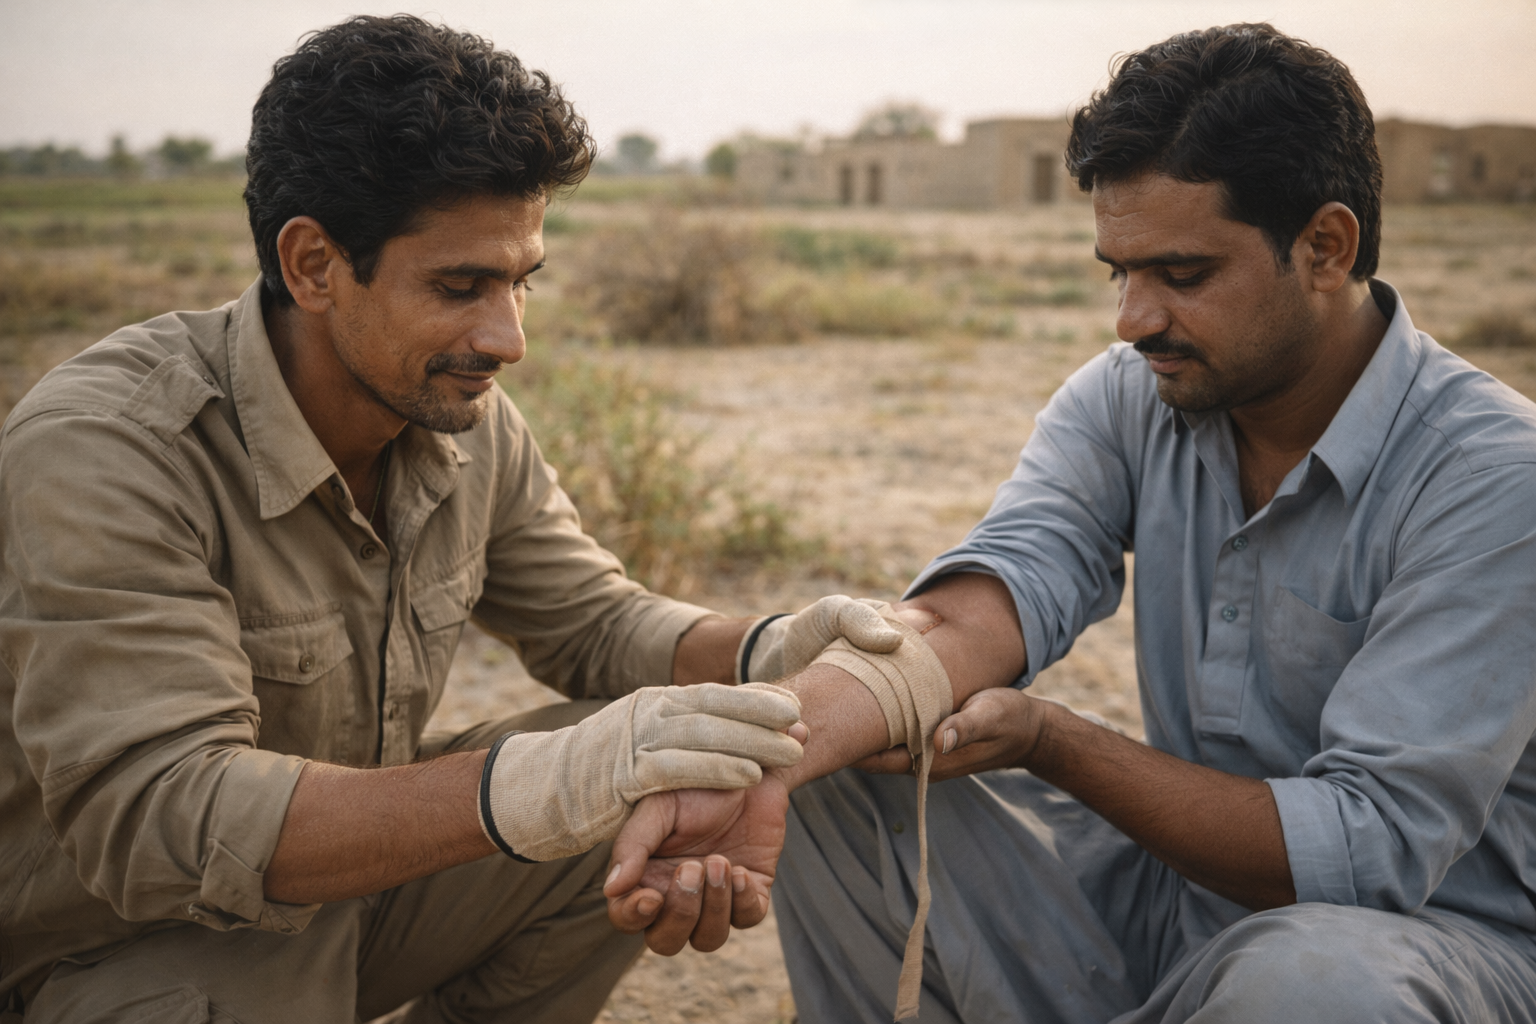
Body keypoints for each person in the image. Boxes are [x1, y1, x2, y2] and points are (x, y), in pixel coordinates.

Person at [605, 22, 1536, 1023]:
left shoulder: (1494, 478)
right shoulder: (1135, 395)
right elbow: (979, 605)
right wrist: (758, 762)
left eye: (1180, 273)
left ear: (1325, 246)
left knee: (1310, 985)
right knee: (832, 762)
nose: (1132, 317)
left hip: (1422, 946)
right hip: (1174, 903)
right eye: (1117, 270)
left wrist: (1054, 739)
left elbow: (1363, 853)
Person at [0, 16, 896, 1022]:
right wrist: (531, 788)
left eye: (521, 282)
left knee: (643, 776)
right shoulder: (111, 444)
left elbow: (595, 621)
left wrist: (770, 651)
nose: (508, 338)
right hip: (114, 949)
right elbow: (166, 815)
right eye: (460, 286)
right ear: (313, 266)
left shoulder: (455, 411)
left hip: (344, 896)